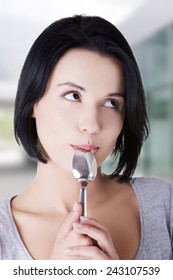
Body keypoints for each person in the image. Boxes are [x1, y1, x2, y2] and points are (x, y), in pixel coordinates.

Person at [0, 15, 173, 260]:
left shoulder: (164, 205)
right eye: (73, 95)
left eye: (111, 103)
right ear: (33, 102)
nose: (92, 124)